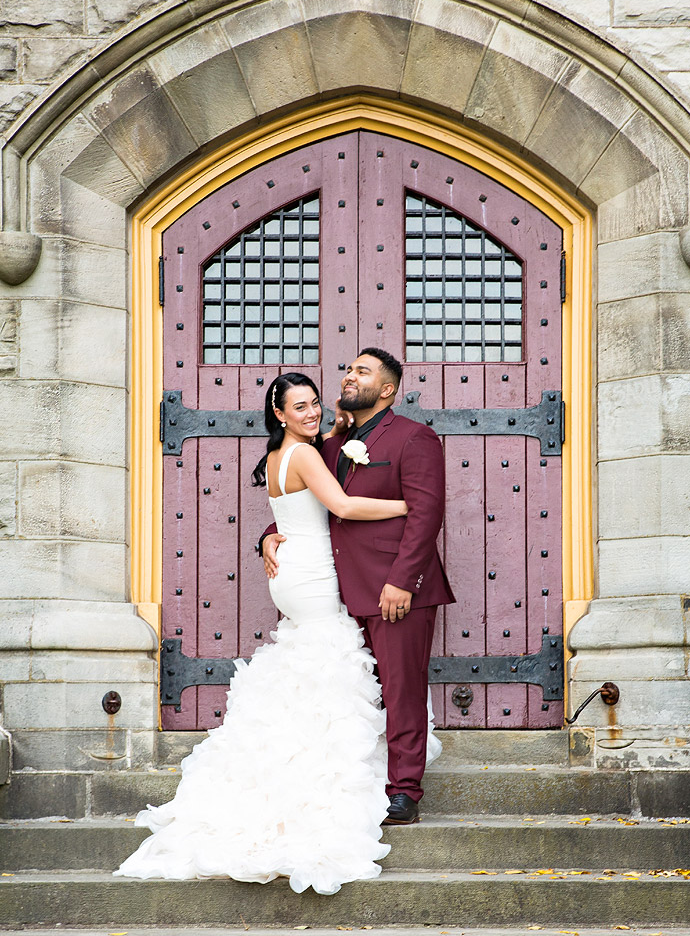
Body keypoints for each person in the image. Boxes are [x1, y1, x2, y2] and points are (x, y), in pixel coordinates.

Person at [115, 371, 415, 895]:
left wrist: (269, 537)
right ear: (279, 413)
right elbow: (342, 508)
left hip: (295, 570)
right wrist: (406, 505)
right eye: (299, 406)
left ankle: (291, 759)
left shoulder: (280, 456)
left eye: (315, 402)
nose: (311, 412)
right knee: (328, 660)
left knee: (308, 661)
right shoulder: (302, 455)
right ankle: (317, 774)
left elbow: (293, 513)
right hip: (313, 575)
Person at [262, 348, 455, 826]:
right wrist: (268, 537)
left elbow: (426, 515)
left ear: (386, 390)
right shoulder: (327, 446)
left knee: (402, 690)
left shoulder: (415, 437)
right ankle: (357, 782)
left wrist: (402, 582)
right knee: (357, 695)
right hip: (340, 593)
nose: (349, 375)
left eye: (362, 372)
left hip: (397, 592)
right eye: (348, 368)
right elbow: (307, 507)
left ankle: (404, 792)